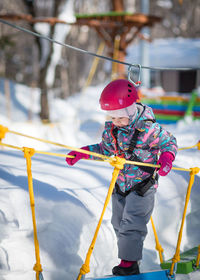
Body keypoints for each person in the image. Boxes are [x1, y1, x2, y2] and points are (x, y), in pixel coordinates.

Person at [66, 79, 178, 276]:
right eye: (112, 117)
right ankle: (128, 259)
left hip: (142, 186)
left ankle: (129, 263)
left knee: (132, 223)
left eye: (119, 118)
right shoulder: (112, 130)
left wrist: (167, 158)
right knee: (117, 223)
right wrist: (83, 152)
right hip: (120, 184)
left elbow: (169, 142)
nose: (115, 122)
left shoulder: (148, 129)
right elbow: (105, 150)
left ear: (131, 110)